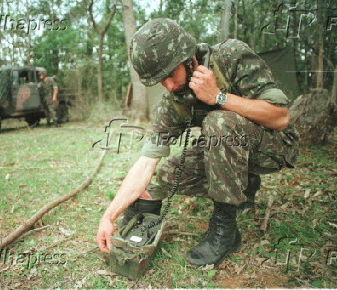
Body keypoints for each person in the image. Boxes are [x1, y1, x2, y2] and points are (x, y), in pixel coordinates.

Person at [96, 18, 299, 267]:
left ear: (189, 59)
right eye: (160, 80)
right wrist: (109, 216)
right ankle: (245, 184)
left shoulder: (231, 56)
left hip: (275, 147)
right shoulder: (174, 99)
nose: (168, 86)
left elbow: (280, 117)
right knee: (169, 174)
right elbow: (146, 162)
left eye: (170, 75)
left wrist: (218, 97)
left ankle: (226, 230)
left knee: (219, 123)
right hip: (234, 151)